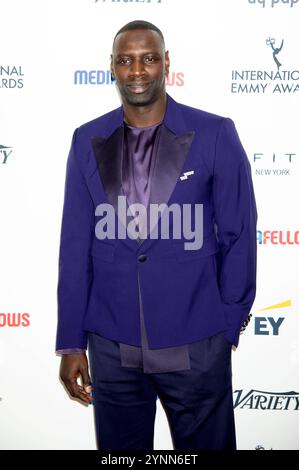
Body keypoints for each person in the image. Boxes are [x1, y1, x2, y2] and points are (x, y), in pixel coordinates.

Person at [56, 20, 257, 450]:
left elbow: (238, 234)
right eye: (125, 60)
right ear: (112, 67)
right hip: (113, 348)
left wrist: (228, 324)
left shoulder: (215, 133)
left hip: (197, 343)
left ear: (166, 63)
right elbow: (75, 246)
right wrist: (72, 342)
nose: (137, 70)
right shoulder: (86, 139)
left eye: (148, 58)